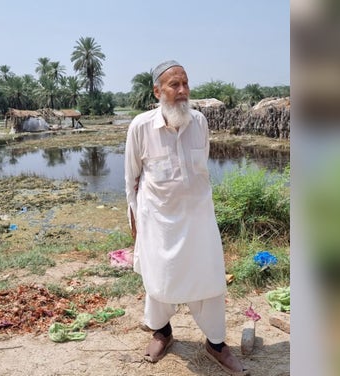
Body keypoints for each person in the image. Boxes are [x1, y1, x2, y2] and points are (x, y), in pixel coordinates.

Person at [124, 60, 250, 376]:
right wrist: (135, 222)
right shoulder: (140, 126)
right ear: (157, 91)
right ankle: (162, 332)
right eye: (174, 85)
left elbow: (201, 166)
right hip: (158, 221)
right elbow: (131, 179)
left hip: (198, 220)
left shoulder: (200, 122)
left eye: (185, 84)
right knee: (159, 278)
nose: (182, 91)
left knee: (209, 278)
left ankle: (216, 344)